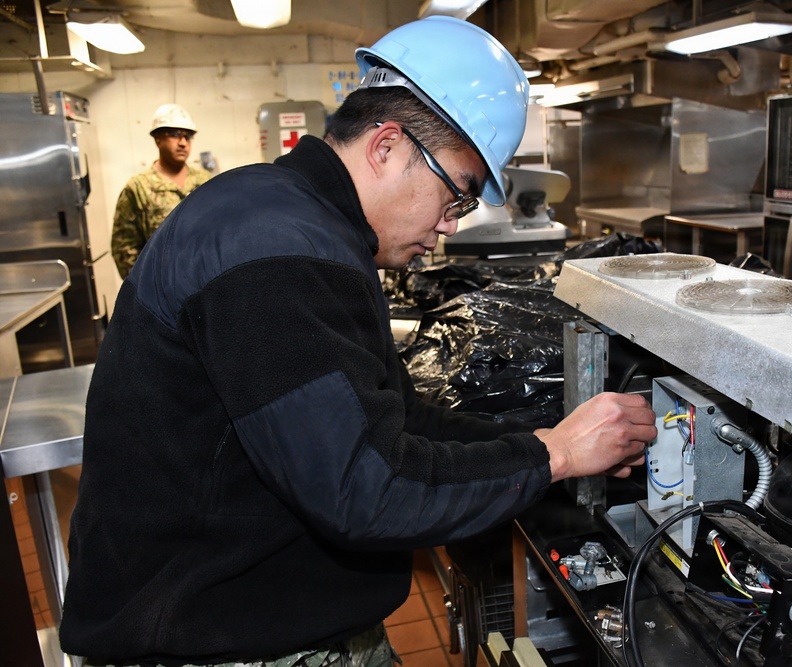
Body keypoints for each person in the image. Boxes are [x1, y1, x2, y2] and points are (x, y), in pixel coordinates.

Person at [60, 16, 656, 667]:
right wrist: (555, 455)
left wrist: (556, 439)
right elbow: (365, 490)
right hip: (211, 642)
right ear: (387, 148)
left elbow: (398, 421)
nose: (448, 228)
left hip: (262, 613)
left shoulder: (301, 224)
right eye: (454, 197)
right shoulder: (275, 250)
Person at [110, 103, 212, 278]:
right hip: (161, 287)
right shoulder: (138, 187)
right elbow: (124, 248)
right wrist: (143, 289)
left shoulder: (205, 182)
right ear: (157, 139)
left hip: (205, 280)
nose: (182, 143)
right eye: (174, 135)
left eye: (187, 137)